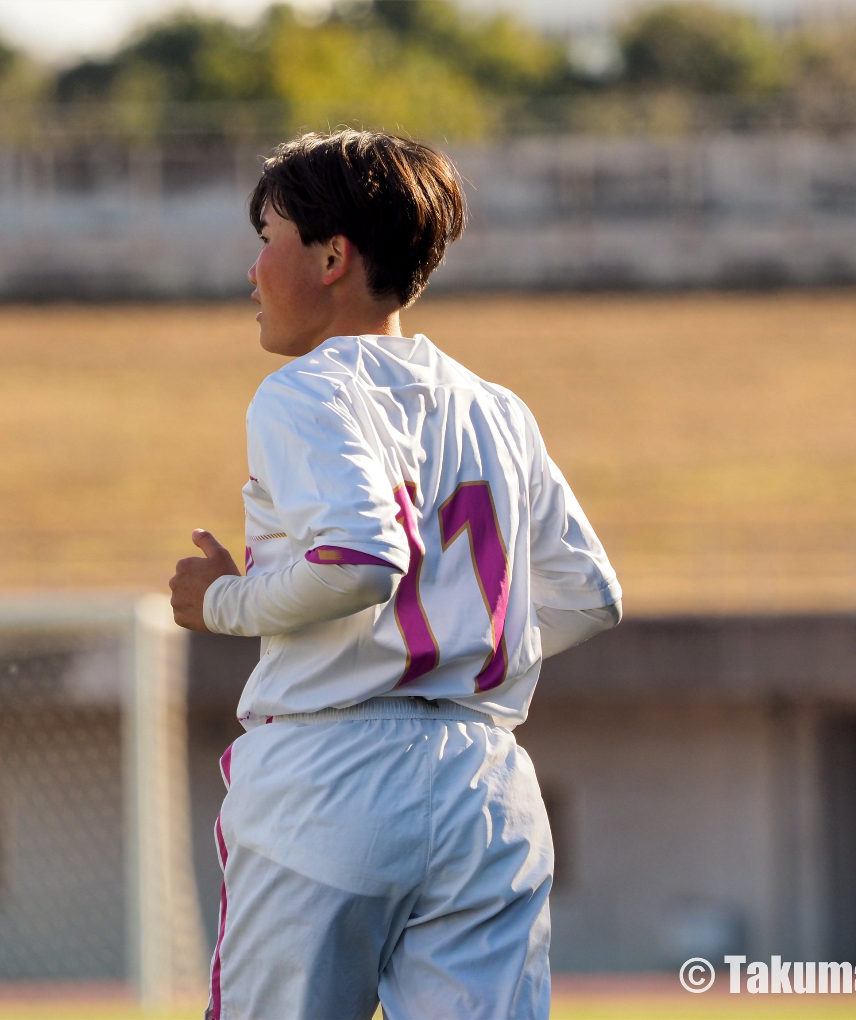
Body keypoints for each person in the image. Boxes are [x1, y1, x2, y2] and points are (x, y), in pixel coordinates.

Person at [169, 129, 622, 1020]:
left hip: (329, 775)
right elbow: (592, 597)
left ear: (333, 257)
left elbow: (361, 559)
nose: (253, 270)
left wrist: (222, 601)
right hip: (487, 784)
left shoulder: (305, 391)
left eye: (270, 240)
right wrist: (455, 644)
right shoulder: (497, 407)